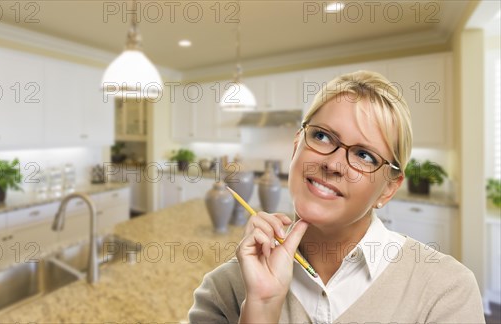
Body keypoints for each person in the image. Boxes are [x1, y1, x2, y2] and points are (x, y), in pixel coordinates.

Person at [188, 71, 485, 323]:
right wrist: (262, 309)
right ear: (296, 147)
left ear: (389, 189)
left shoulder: (446, 291)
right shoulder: (224, 290)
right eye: (322, 136)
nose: (333, 164)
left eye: (364, 155)